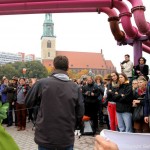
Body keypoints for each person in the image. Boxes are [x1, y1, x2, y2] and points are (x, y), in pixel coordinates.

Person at [25, 55, 84, 150]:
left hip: (45, 135)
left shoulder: (42, 83)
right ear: (68, 68)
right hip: (65, 135)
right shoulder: (75, 87)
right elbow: (80, 113)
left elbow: (28, 102)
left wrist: (40, 105)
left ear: (53, 66)